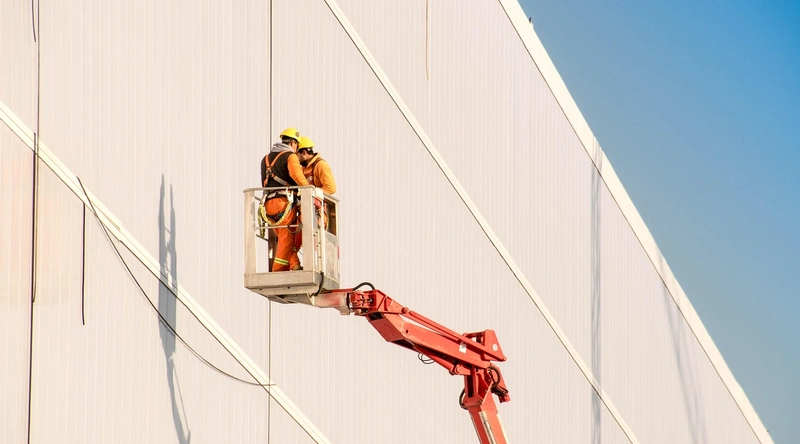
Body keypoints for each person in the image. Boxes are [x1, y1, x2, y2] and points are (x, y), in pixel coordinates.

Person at [260, 128, 309, 271]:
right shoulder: (290, 156)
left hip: (268, 206)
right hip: (284, 204)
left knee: (284, 237)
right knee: (287, 238)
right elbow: (299, 180)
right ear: (293, 143)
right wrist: (311, 193)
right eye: (297, 146)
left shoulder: (266, 159)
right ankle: (277, 271)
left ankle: (294, 265)